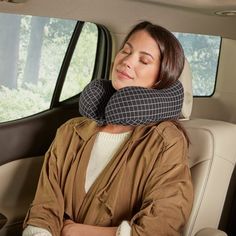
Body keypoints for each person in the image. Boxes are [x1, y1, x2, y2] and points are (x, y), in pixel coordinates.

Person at [23, 21, 193, 236]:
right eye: (126, 50)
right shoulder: (71, 131)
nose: (127, 61)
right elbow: (44, 208)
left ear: (161, 78)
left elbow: (160, 227)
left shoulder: (166, 141)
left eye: (143, 60)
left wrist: (77, 231)